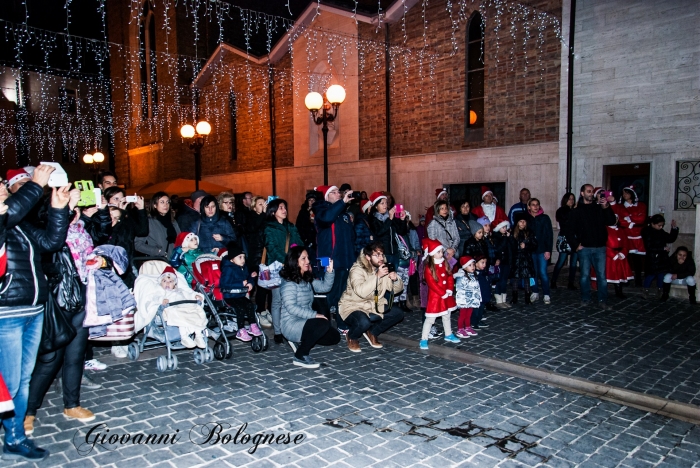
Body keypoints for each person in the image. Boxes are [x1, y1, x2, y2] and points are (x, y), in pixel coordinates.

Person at [0, 164, 70, 461]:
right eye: (4, 186)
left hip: (34, 309)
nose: (2, 188)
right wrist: (36, 185)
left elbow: (51, 242)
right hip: (7, 314)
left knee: (23, 380)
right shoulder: (8, 219)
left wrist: (57, 209)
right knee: (10, 382)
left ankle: (15, 437)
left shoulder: (20, 224)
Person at [25, 191, 96, 438]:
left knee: (75, 357)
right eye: (68, 207)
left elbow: (95, 249)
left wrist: (101, 262)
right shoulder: (45, 231)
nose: (74, 209)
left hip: (82, 297)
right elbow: (51, 247)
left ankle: (71, 405)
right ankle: (28, 411)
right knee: (50, 359)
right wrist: (65, 210)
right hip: (58, 300)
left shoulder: (81, 231)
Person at [338, 241, 405, 352]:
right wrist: (377, 276)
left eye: (382, 254)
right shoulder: (356, 270)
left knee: (398, 313)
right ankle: (352, 336)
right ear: (368, 257)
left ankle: (373, 332)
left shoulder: (383, 268)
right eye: (377, 255)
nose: (381, 258)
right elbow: (361, 292)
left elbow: (395, 290)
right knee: (363, 322)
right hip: (353, 305)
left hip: (374, 304)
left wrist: (395, 280)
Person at [279, 246, 339, 369]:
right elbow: (291, 308)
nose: (308, 261)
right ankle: (300, 355)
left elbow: (324, 288)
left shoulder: (306, 279)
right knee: (322, 323)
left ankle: (306, 338)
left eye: (308, 258)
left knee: (334, 337)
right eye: (303, 259)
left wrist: (329, 272)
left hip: (305, 320)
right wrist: (314, 315)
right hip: (291, 323)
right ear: (295, 261)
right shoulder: (289, 283)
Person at [312, 185, 356, 331]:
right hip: (329, 260)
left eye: (339, 192)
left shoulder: (344, 214)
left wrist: (352, 260)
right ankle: (323, 325)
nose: (338, 194)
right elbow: (326, 219)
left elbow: (351, 238)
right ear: (326, 196)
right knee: (328, 293)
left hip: (344, 260)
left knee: (342, 294)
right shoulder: (321, 211)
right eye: (334, 192)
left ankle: (341, 322)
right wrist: (342, 202)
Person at [567, 184, 617, 309]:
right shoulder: (576, 211)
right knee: (584, 275)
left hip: (600, 247)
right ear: (582, 193)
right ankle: (585, 298)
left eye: (592, 191)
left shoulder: (599, 208)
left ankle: (602, 300)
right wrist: (575, 245)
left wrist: (606, 206)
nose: (591, 193)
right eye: (588, 191)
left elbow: (611, 221)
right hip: (584, 248)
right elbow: (569, 230)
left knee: (602, 276)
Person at [263, 199, 303, 343]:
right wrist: (288, 260)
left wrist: (299, 257)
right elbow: (272, 249)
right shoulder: (269, 228)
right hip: (277, 269)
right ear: (273, 211)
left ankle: (291, 327)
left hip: (292, 267)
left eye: (285, 207)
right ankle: (278, 331)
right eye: (281, 208)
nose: (284, 210)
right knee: (277, 301)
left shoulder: (290, 226)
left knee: (293, 299)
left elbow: (299, 243)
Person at [419, 239, 460, 349]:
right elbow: (432, 283)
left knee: (447, 315)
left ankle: (448, 334)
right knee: (430, 319)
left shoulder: (444, 262)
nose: (441, 253)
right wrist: (442, 293)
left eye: (441, 251)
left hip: (446, 294)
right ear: (432, 254)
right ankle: (424, 338)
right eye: (438, 252)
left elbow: (450, 276)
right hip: (436, 297)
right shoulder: (428, 267)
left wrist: (450, 289)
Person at [219, 242, 262, 341]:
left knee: (250, 305)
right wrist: (240, 284)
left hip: (240, 295)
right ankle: (240, 329)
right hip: (230, 296)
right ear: (232, 259)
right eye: (240, 257)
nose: (243, 260)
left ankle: (252, 325)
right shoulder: (228, 269)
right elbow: (224, 284)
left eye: (243, 257)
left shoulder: (243, 268)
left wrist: (250, 283)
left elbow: (249, 277)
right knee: (240, 308)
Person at [245, 196, 271, 328]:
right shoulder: (252, 218)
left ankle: (266, 310)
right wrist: (264, 214)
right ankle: (259, 311)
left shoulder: (267, 218)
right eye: (260, 204)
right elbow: (254, 229)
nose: (263, 206)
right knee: (260, 285)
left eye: (264, 203)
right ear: (255, 207)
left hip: (267, 257)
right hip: (257, 258)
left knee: (268, 285)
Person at [641, 214, 678, 299]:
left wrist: (674, 229)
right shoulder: (647, 231)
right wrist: (662, 248)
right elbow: (649, 247)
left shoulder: (660, 231)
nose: (661, 227)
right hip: (652, 258)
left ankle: (660, 290)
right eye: (659, 225)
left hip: (661, 257)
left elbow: (669, 238)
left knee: (661, 274)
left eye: (662, 225)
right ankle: (645, 290)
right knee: (651, 274)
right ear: (653, 224)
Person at [135, 192, 181, 258]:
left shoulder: (172, 221)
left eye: (168, 202)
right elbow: (138, 244)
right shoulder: (149, 221)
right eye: (162, 202)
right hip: (160, 261)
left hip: (175, 259)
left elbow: (180, 239)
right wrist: (158, 251)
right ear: (154, 205)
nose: (166, 205)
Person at [367, 191, 408, 266]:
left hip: (395, 253)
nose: (385, 205)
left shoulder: (389, 216)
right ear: (376, 206)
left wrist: (402, 220)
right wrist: (389, 219)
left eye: (386, 203)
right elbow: (379, 232)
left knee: (393, 275)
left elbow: (401, 232)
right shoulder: (373, 218)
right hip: (382, 254)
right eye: (382, 203)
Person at [526, 198, 553, 305]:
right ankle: (535, 291)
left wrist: (548, 250)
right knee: (533, 273)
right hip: (531, 251)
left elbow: (549, 235)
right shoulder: (526, 219)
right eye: (533, 205)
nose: (535, 207)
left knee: (543, 273)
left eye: (537, 204)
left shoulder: (545, 218)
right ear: (529, 207)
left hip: (542, 250)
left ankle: (546, 294)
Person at [619, 185, 648, 286]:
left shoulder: (641, 205)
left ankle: (638, 280)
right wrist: (631, 221)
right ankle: (626, 279)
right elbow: (620, 220)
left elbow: (642, 219)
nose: (625, 195)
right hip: (626, 235)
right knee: (626, 259)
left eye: (627, 193)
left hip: (638, 236)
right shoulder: (621, 206)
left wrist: (630, 219)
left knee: (637, 260)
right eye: (623, 193)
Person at [601, 216, 634, 298]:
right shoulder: (604, 230)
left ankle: (619, 291)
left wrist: (623, 253)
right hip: (609, 257)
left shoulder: (621, 230)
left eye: (616, 219)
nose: (614, 221)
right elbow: (602, 244)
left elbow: (626, 243)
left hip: (620, 255)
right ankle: (602, 291)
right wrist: (613, 254)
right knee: (607, 273)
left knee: (619, 274)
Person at [551, 192, 578, 290]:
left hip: (575, 238)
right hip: (565, 238)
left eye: (573, 199)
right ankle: (553, 280)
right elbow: (565, 220)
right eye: (569, 199)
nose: (571, 201)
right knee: (561, 260)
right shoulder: (561, 211)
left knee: (574, 262)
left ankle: (571, 282)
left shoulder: (575, 211)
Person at [512, 212, 537, 306]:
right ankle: (514, 298)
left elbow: (534, 244)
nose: (522, 223)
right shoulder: (513, 233)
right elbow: (511, 246)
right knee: (515, 278)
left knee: (527, 278)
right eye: (520, 221)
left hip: (526, 258)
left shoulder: (529, 232)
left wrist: (526, 246)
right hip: (517, 258)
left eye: (524, 221)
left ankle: (527, 298)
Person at [454, 256, 481, 338]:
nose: (473, 267)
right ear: (465, 267)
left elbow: (476, 287)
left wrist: (477, 297)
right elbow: (459, 288)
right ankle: (460, 329)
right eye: (470, 265)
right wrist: (462, 299)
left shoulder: (474, 275)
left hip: (472, 299)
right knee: (462, 315)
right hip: (464, 299)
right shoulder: (461, 276)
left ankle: (468, 327)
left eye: (473, 265)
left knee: (469, 314)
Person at [492, 219, 514, 308]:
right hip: (500, 261)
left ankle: (504, 298)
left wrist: (510, 238)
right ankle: (498, 299)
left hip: (507, 261)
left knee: (505, 280)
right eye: (502, 227)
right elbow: (499, 248)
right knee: (499, 280)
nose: (505, 229)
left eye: (505, 227)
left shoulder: (507, 236)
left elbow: (512, 246)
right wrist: (505, 238)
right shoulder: (496, 237)